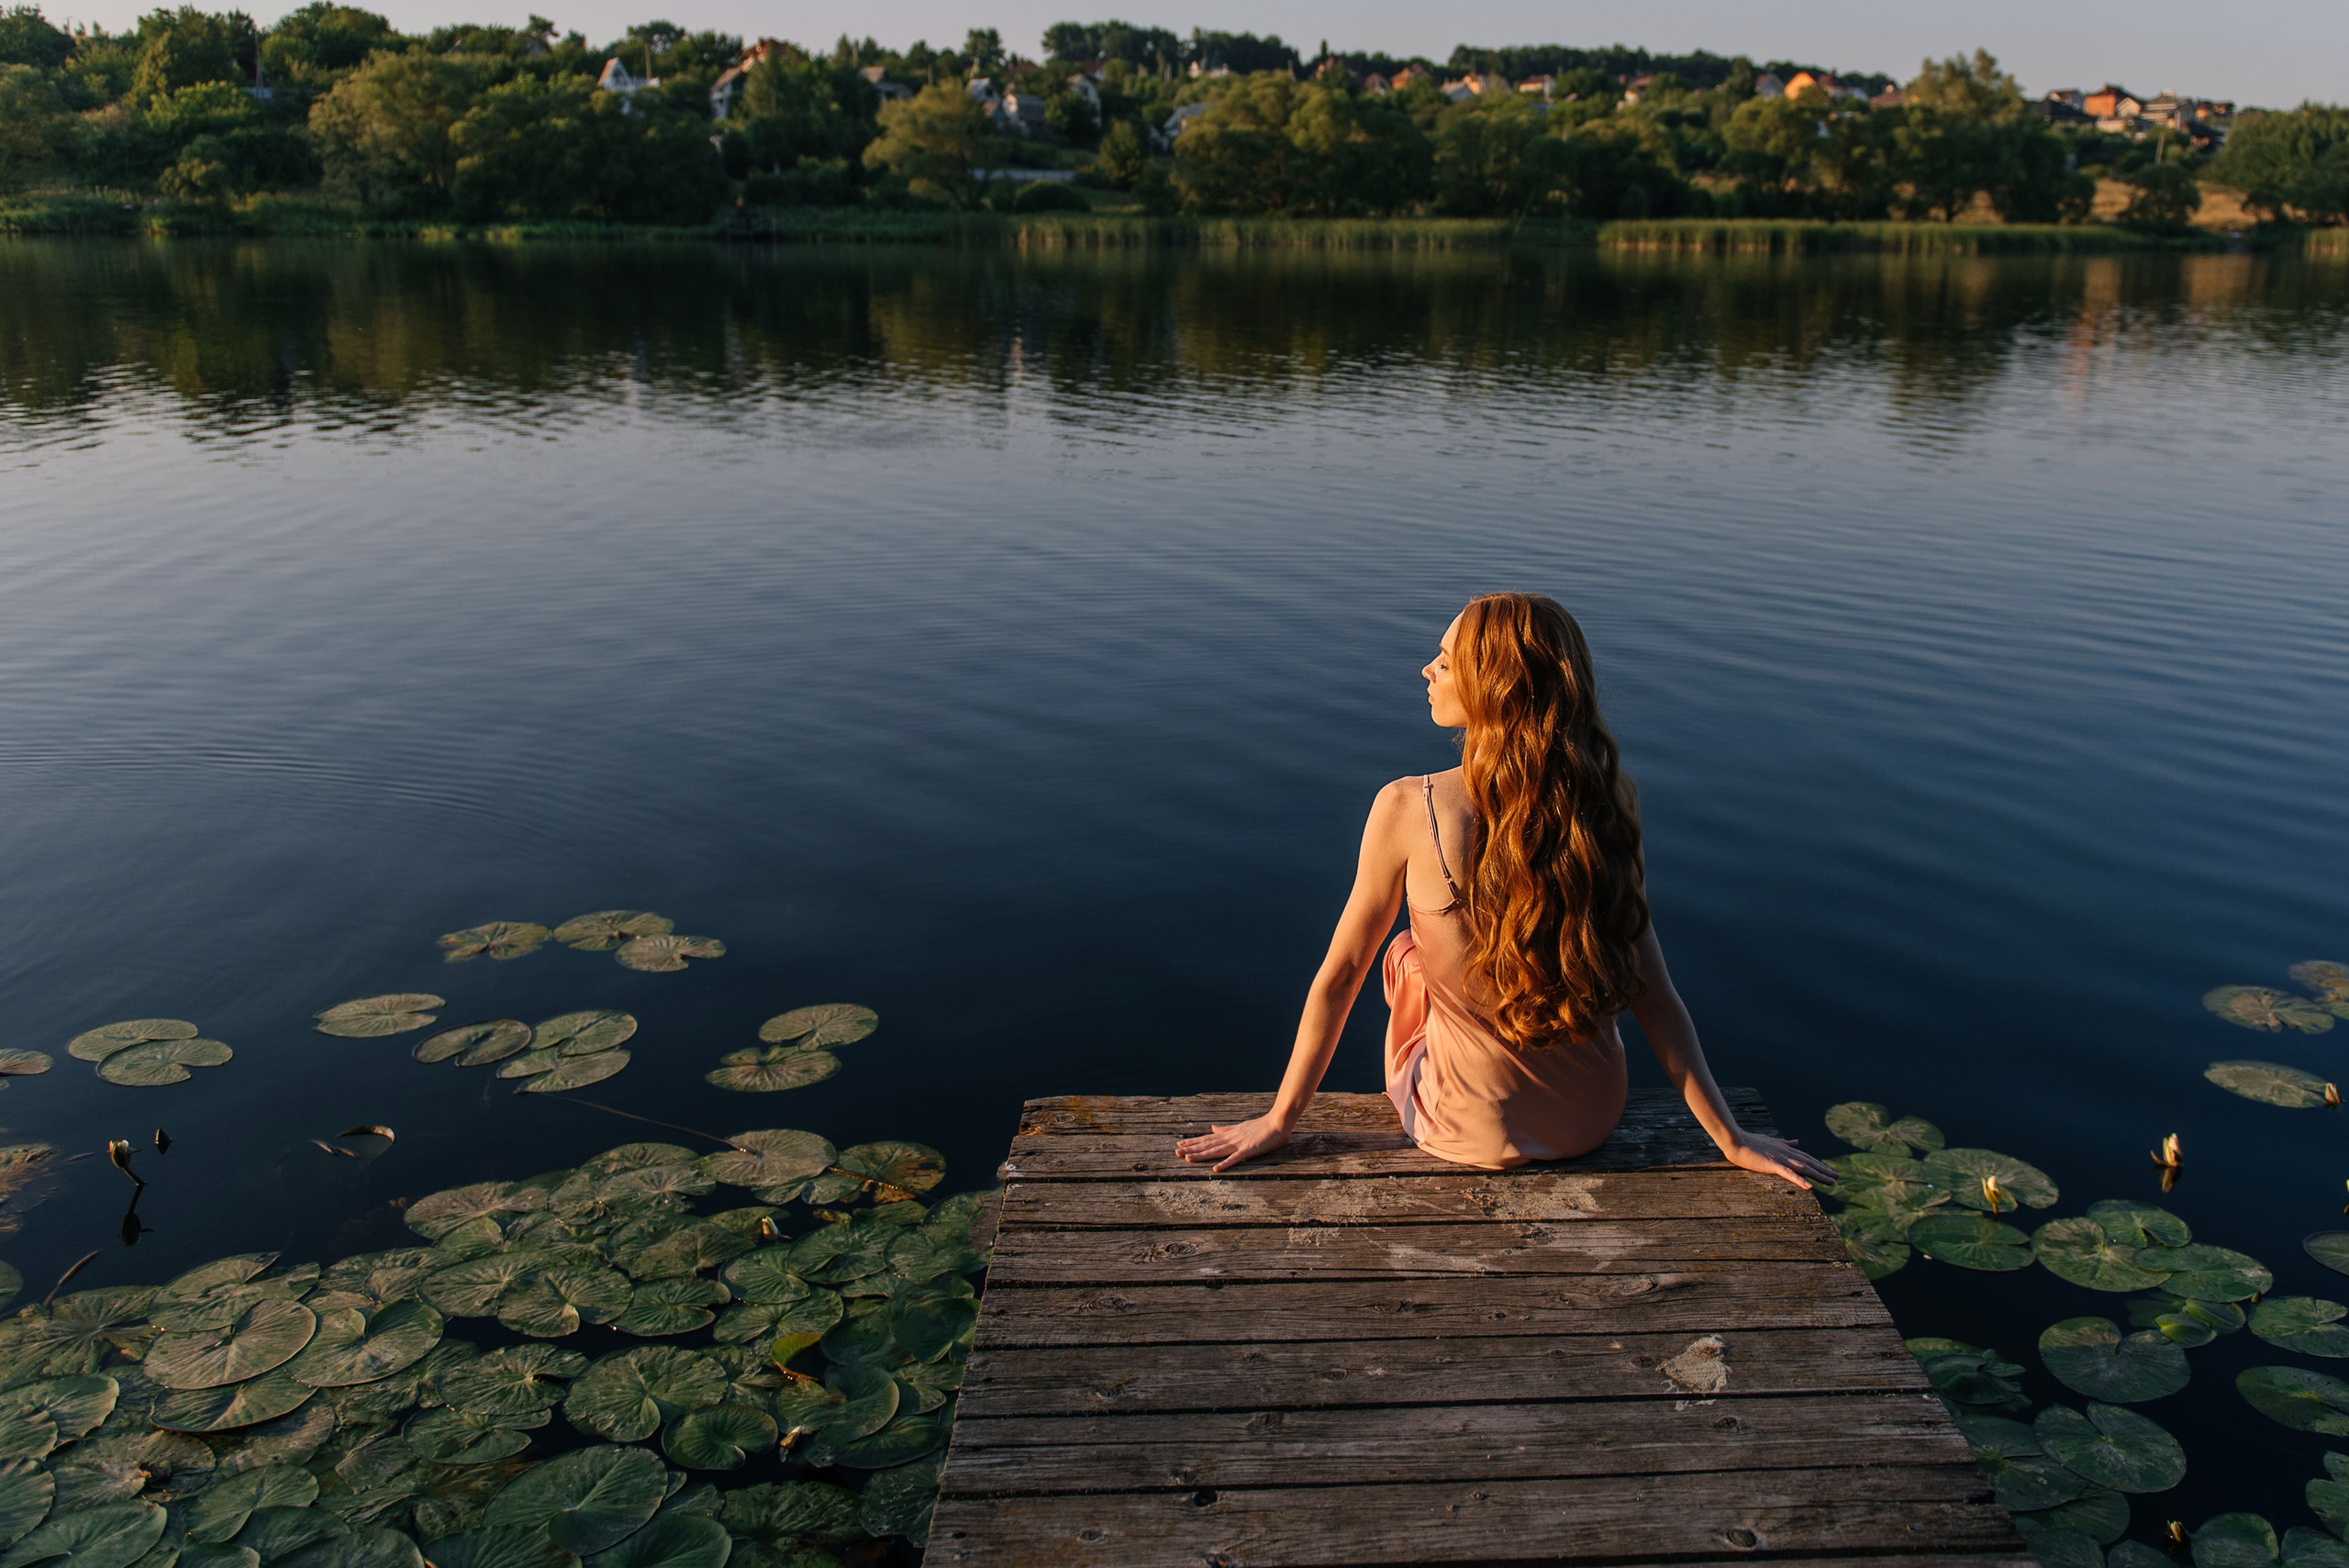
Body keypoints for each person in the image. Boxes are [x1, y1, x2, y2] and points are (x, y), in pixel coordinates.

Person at [1174, 593, 1833, 1189]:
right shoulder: (1603, 805)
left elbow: (1340, 975)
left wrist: (1280, 1119)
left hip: (1466, 1130)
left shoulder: (1409, 805)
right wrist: (1730, 1137)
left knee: (1403, 953)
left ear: (1495, 685)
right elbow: (1655, 995)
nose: (1426, 670)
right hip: (1590, 1118)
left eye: (1444, 660)